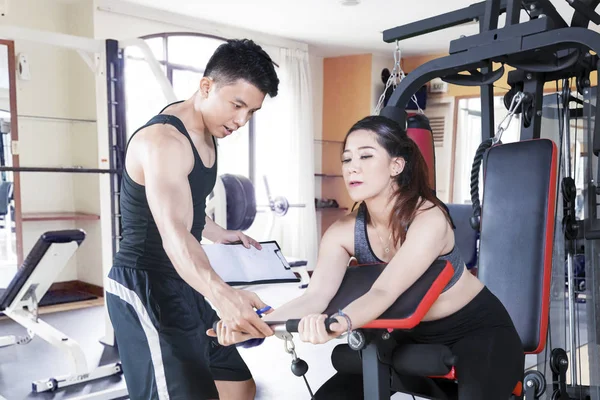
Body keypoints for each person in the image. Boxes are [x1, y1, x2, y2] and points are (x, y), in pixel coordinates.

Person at [209, 115, 525, 399]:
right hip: (407, 336)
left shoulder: (428, 219)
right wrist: (255, 325)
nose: (352, 167)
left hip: (477, 330)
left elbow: (384, 291)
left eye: (365, 156)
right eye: (347, 159)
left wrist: (338, 324)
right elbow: (315, 297)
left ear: (396, 166)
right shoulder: (343, 232)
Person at [105, 39, 280, 400]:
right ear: (206, 86)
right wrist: (224, 295)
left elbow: (188, 208)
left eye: (251, 112)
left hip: (182, 281)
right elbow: (174, 234)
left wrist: (219, 233)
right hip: (146, 284)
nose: (241, 121)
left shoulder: (208, 132)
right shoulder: (164, 142)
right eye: (237, 105)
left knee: (237, 386)